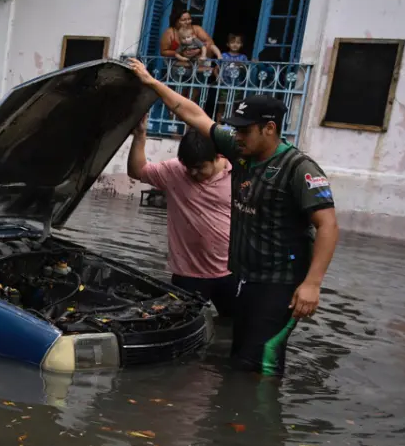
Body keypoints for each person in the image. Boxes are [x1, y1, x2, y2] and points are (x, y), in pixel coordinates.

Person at [127, 58, 340, 377]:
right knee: (238, 357)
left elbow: (328, 226)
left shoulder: (299, 169)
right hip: (246, 279)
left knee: (260, 365)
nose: (235, 136)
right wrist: (151, 82)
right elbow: (193, 114)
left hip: (281, 284)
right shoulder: (242, 153)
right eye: (235, 130)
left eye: (244, 130)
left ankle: (261, 423)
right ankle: (234, 421)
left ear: (269, 129)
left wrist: (312, 284)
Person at [127, 120, 234, 317]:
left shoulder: (238, 175)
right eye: (188, 167)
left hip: (230, 272)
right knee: (181, 323)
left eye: (199, 167)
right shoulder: (175, 171)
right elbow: (136, 171)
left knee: (234, 326)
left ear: (218, 157)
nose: (192, 173)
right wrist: (140, 136)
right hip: (188, 274)